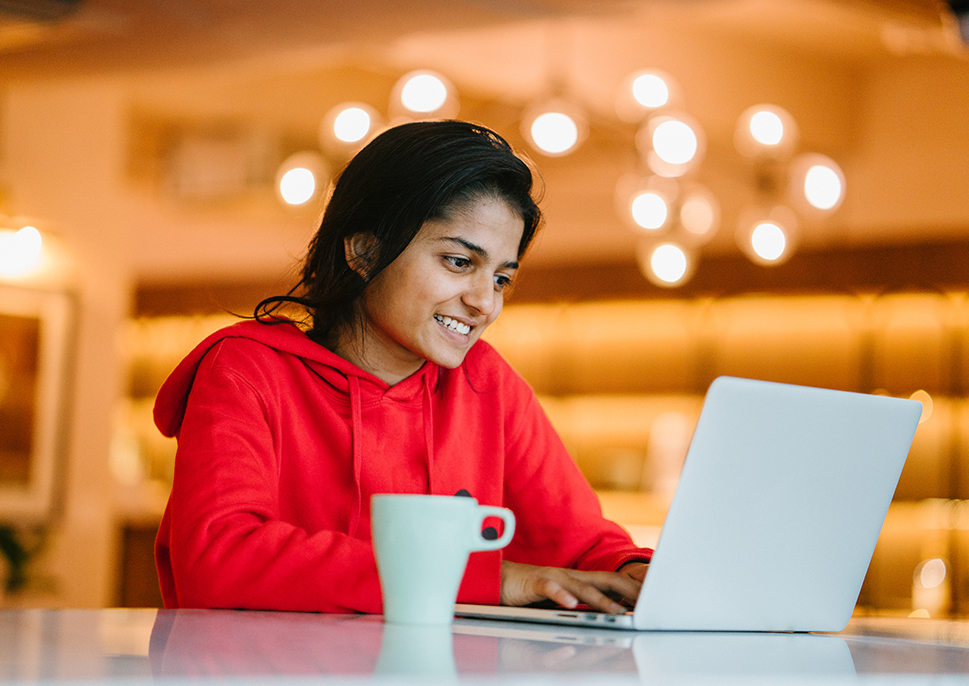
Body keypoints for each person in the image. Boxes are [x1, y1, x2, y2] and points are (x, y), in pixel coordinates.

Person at [153, 120, 652, 614]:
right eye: (459, 262)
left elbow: (583, 545)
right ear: (364, 251)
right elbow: (218, 559)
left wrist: (637, 573)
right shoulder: (246, 370)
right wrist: (479, 578)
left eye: (501, 278)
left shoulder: (485, 382)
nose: (485, 303)